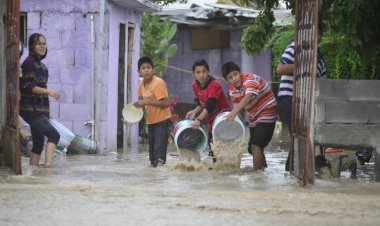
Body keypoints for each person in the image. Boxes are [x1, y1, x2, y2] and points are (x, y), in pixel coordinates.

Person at [277, 27, 327, 171]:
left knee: (299, 136)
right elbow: (280, 69)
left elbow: (322, 83)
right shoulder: (295, 47)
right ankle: (301, 169)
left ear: (320, 37)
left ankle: (293, 170)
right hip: (289, 97)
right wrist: (304, 65)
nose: (313, 37)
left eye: (316, 34)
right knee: (298, 135)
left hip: (308, 102)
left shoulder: (320, 57)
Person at [221, 61, 278, 171]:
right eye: (230, 77)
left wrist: (233, 112)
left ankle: (256, 177)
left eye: (235, 74)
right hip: (254, 117)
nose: (234, 78)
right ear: (226, 80)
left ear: (240, 73)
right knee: (252, 149)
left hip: (267, 110)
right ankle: (262, 171)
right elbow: (237, 107)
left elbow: (248, 96)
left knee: (256, 145)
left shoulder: (250, 79)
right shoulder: (232, 90)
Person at [19, 33, 60, 167]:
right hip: (30, 110)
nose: (42, 46)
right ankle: (48, 167)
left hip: (39, 110)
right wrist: (49, 92)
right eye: (38, 43)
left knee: (38, 143)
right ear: (32, 46)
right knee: (54, 135)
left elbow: (42, 89)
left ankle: (34, 173)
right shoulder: (29, 63)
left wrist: (47, 113)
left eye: (44, 43)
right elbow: (29, 87)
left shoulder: (42, 67)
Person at [185, 59, 230, 160]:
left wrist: (199, 119)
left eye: (204, 71)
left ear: (208, 72)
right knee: (212, 151)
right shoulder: (195, 85)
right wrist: (194, 111)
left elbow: (210, 105)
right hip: (211, 122)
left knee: (222, 150)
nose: (201, 75)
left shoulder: (215, 85)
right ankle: (215, 172)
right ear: (193, 74)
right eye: (198, 72)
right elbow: (201, 103)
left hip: (224, 120)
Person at [134, 56, 171, 167]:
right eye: (143, 68)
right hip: (150, 122)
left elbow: (166, 103)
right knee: (152, 157)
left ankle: (160, 179)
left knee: (159, 155)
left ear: (153, 70)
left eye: (149, 67)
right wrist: (134, 111)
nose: (146, 70)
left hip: (162, 121)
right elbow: (141, 103)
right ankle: (153, 181)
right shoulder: (141, 84)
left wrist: (146, 102)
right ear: (138, 71)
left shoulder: (158, 83)